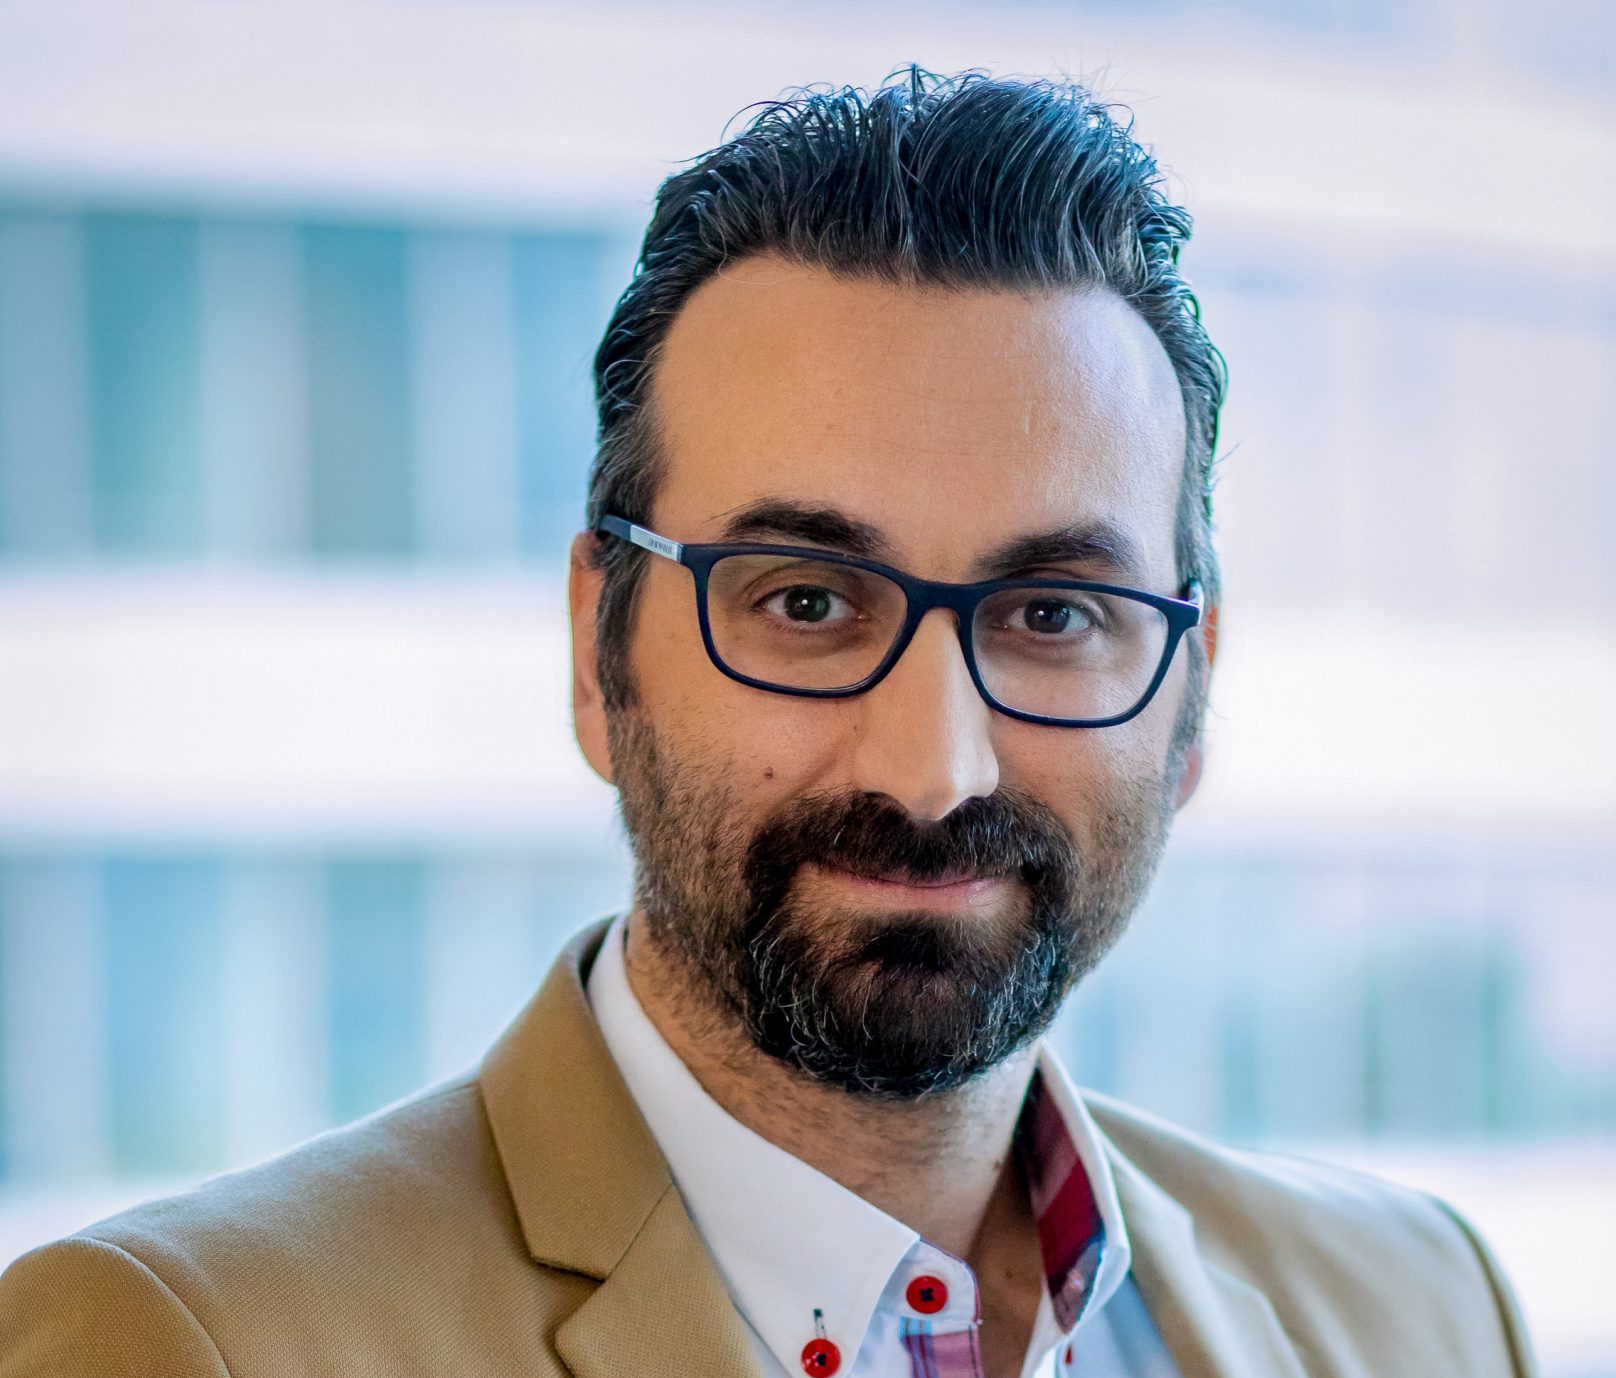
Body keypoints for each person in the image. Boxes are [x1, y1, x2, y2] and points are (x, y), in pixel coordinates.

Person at [0, 69, 1536, 1378]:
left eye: (1054, 614)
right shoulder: (181, 1341)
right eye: (807, 601)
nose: (932, 770)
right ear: (599, 653)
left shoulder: (1426, 1312)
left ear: (1192, 693)